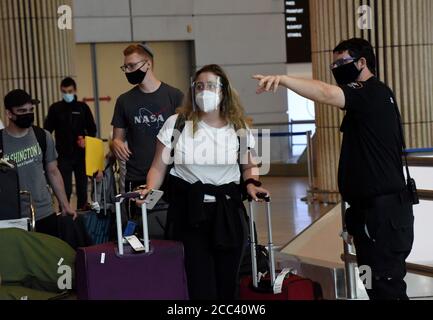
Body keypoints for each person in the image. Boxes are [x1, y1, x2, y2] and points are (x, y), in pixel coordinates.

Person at [254, 38, 415, 300]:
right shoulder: (367, 101)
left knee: (387, 287)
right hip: (367, 214)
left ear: (362, 63)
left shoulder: (371, 92)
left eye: (343, 62)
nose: (337, 68)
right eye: (334, 63)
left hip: (384, 216)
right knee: (373, 285)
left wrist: (282, 80)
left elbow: (326, 93)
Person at [136, 64, 270, 300]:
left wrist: (251, 184)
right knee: (199, 283)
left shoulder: (238, 127)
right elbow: (158, 166)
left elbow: (249, 166)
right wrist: (150, 190)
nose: (204, 91)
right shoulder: (177, 124)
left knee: (228, 283)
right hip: (189, 213)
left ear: (223, 91)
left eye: (210, 86)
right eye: (199, 86)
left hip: (227, 213)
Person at [111, 42, 184, 217]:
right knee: (140, 227)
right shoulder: (124, 101)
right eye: (125, 67)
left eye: (132, 66)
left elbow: (186, 134)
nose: (128, 71)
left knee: (171, 226)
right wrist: (116, 143)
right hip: (137, 176)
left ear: (148, 64)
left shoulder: (174, 96)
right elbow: (117, 138)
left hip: (171, 175)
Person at [1, 89, 77, 236]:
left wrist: (65, 204)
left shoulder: (42, 136)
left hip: (44, 212)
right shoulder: (1, 142)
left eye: (31, 110)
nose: (28, 114)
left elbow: (53, 171)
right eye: (22, 111)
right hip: (12, 218)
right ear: (9, 114)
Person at [44, 77, 97, 210]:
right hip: (62, 155)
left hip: (81, 156)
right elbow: (47, 131)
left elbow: (92, 129)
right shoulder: (55, 109)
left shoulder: (83, 107)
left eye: (69, 91)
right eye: (64, 91)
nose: (67, 94)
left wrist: (86, 140)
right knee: (64, 190)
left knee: (82, 189)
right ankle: (64, 216)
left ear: (75, 90)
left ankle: (83, 217)